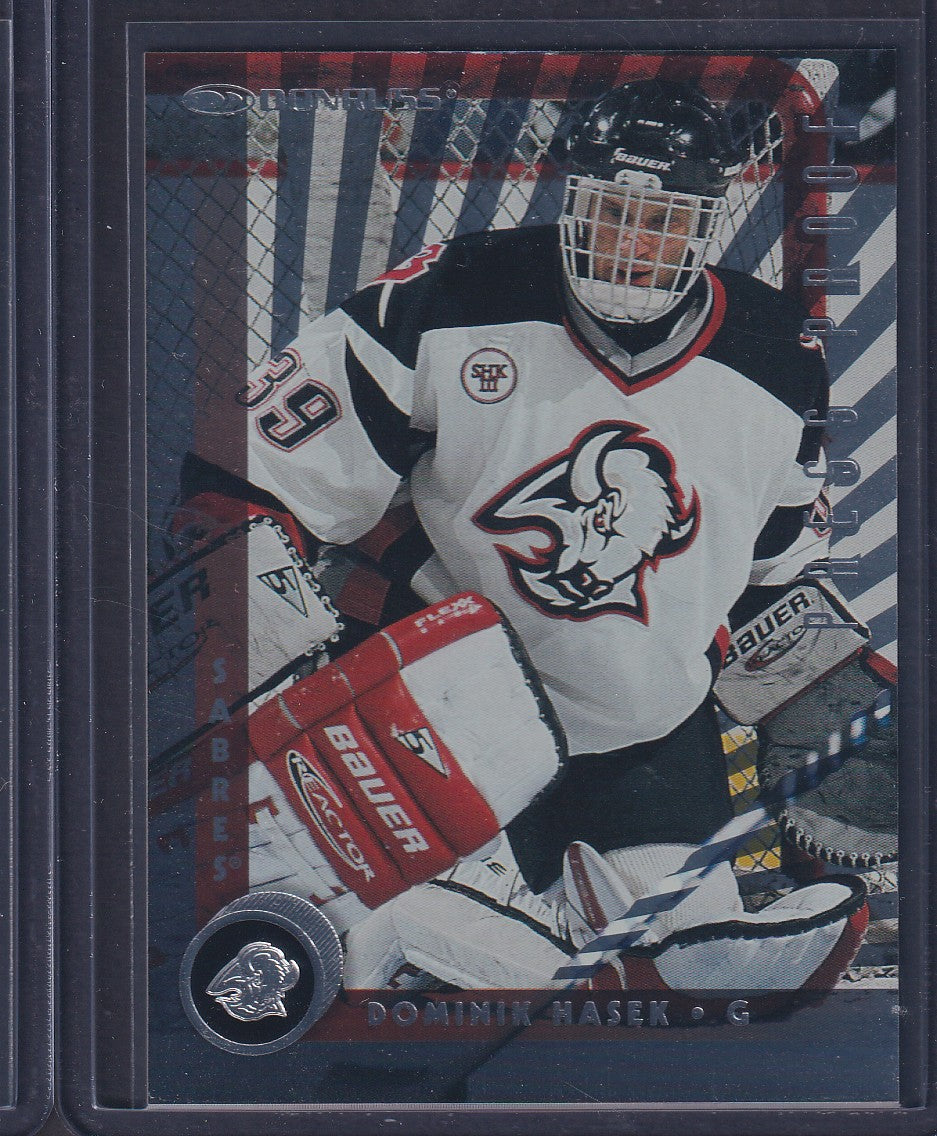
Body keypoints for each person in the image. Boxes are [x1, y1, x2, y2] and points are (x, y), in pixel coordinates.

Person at [186, 79, 887, 997]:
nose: (632, 243)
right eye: (612, 211)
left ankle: (620, 932)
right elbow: (241, 474)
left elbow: (770, 574)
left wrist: (821, 686)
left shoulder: (773, 354)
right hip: (446, 717)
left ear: (704, 224)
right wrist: (276, 657)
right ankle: (433, 917)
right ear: (571, 198)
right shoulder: (456, 289)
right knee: (424, 954)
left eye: (662, 221)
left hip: (643, 731)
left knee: (696, 959)